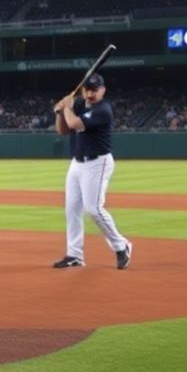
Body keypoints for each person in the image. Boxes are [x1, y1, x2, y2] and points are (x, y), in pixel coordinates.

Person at [51, 73, 131, 269]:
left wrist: (67, 107)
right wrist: (60, 112)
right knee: (72, 209)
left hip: (98, 162)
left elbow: (75, 124)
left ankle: (122, 246)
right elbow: (63, 130)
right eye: (87, 89)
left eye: (95, 89)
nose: (90, 93)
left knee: (93, 209)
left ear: (103, 90)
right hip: (77, 163)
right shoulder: (78, 105)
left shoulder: (104, 110)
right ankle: (75, 254)